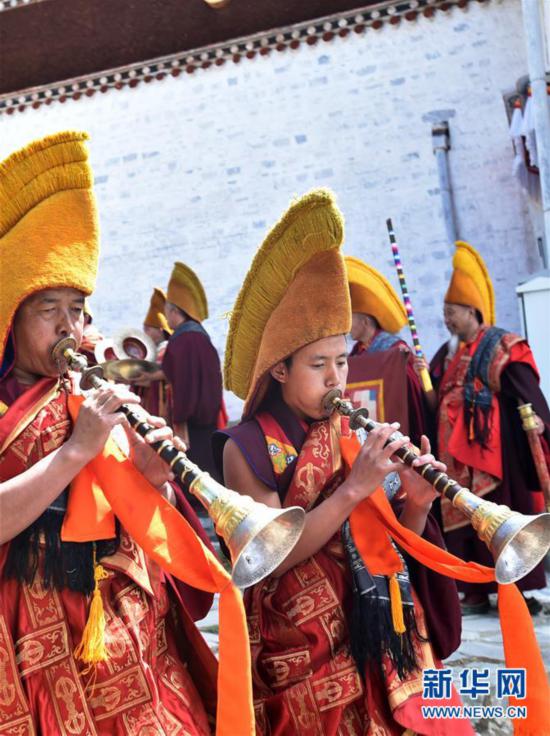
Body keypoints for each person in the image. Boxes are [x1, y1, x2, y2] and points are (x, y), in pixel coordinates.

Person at [0, 132, 251, 734]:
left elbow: (133, 510)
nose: (71, 325)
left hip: (132, 625)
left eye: (79, 306)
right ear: (11, 319)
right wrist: (78, 450)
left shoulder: (95, 384)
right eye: (49, 308)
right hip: (38, 634)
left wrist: (152, 476)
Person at [213, 190, 472, 735]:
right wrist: (353, 488)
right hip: (303, 652)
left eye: (341, 360)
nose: (336, 379)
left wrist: (419, 508)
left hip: (383, 635)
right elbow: (270, 559)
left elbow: (386, 544)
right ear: (279, 370)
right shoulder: (248, 446)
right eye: (317, 364)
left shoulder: (348, 430)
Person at [416, 241, 550, 615]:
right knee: (461, 514)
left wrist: (538, 423)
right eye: (444, 312)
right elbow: (436, 397)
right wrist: (420, 376)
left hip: (494, 449)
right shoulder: (448, 351)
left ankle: (517, 589)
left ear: (472, 310)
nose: (447, 319)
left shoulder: (500, 344)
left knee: (502, 513)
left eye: (452, 311)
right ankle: (474, 590)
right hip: (455, 455)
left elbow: (524, 386)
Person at [346, 256, 429, 446]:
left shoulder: (395, 350)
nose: (346, 327)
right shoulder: (355, 355)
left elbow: (410, 396)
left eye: (351, 320)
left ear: (365, 322)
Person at [162, 262, 225, 483]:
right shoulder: (199, 335)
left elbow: (184, 383)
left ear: (174, 311)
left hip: (191, 419)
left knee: (195, 470)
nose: (166, 320)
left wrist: (179, 416)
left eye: (166, 313)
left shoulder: (184, 339)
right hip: (208, 416)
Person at [133, 286, 172, 420]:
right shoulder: (151, 351)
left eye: (148, 329)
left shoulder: (167, 349)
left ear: (160, 330)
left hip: (164, 410)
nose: (145, 333)